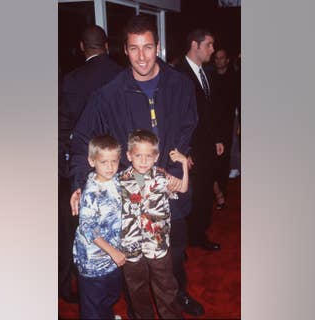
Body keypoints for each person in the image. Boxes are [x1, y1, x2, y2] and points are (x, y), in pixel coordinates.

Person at [69, 15, 205, 317]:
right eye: (134, 49)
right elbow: (80, 138)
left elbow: (188, 123)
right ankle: (136, 312)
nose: (141, 57)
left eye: (147, 47)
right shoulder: (108, 94)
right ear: (125, 50)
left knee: (174, 256)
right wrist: (80, 182)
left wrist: (179, 156)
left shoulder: (180, 85)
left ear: (158, 47)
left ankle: (178, 296)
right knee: (135, 273)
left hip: (169, 193)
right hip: (127, 200)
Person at [58, 24, 122, 303]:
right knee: (113, 222)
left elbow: (62, 127)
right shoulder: (121, 74)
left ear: (83, 47)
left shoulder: (70, 79)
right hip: (114, 164)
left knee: (74, 228)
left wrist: (67, 170)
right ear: (106, 46)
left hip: (80, 165)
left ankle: (67, 286)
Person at [118, 129, 188, 319]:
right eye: (138, 155)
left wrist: (183, 164)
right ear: (128, 155)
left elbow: (182, 187)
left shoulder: (162, 177)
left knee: (166, 287)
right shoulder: (119, 181)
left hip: (158, 244)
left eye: (148, 156)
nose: (143, 160)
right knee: (136, 290)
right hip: (130, 247)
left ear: (156, 157)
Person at [174, 29, 223, 251]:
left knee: (203, 193)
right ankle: (190, 238)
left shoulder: (207, 72)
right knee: (191, 195)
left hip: (207, 146)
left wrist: (218, 138)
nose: (212, 50)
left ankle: (198, 234)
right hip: (191, 149)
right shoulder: (178, 74)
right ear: (195, 45)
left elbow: (209, 111)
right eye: (209, 45)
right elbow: (176, 117)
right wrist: (186, 152)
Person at [73, 135, 126, 319]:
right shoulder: (90, 192)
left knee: (110, 297)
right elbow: (87, 227)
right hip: (93, 262)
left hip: (112, 259)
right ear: (91, 161)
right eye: (104, 162)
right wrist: (113, 251)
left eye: (114, 161)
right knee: (93, 307)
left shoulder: (117, 179)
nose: (110, 167)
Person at [210, 48, 240, 210]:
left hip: (228, 124)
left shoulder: (234, 78)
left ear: (227, 60)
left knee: (224, 159)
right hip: (213, 124)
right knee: (213, 159)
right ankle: (216, 191)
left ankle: (222, 191)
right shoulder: (210, 77)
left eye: (222, 58)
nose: (219, 61)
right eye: (217, 58)